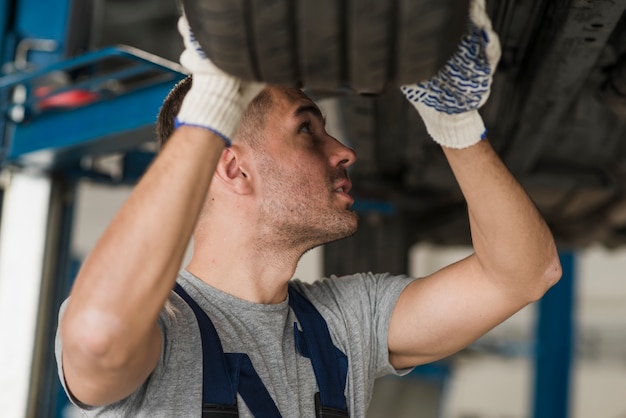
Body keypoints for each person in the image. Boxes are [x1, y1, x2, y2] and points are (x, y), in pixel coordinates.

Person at [55, 1, 562, 416]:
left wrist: (454, 123)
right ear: (233, 169)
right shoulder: (165, 328)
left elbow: (523, 273)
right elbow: (99, 334)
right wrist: (212, 98)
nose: (344, 151)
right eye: (306, 129)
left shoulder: (344, 323)